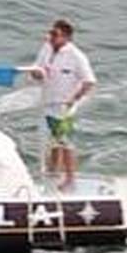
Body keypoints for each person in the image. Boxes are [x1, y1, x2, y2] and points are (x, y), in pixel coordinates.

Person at [23, 18, 97, 190]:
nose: (50, 37)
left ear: (66, 37)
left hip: (64, 106)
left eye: (55, 35)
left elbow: (89, 82)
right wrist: (39, 74)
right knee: (49, 140)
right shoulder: (46, 48)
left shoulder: (77, 56)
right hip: (47, 101)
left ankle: (70, 179)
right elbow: (36, 70)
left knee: (64, 141)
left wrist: (74, 98)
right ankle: (52, 173)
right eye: (50, 33)